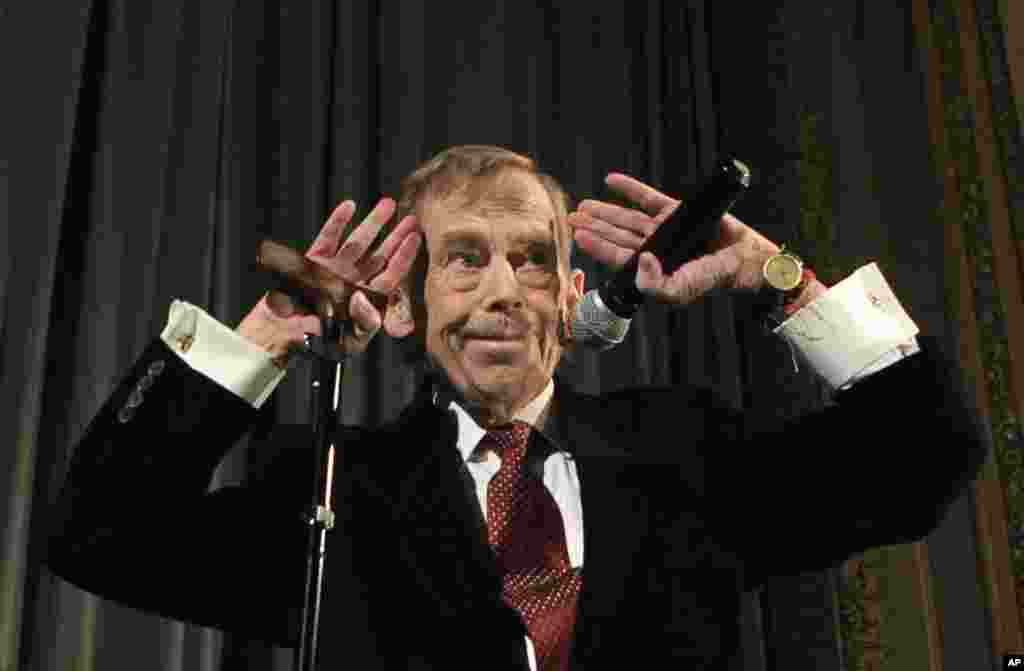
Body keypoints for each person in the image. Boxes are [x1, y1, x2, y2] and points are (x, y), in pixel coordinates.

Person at [45, 145, 987, 670]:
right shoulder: (332, 485)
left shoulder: (685, 449)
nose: (504, 290)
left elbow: (926, 458)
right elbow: (98, 534)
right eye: (465, 257)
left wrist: (782, 279)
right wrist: (264, 334)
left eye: (532, 258)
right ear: (407, 303)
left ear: (572, 294)